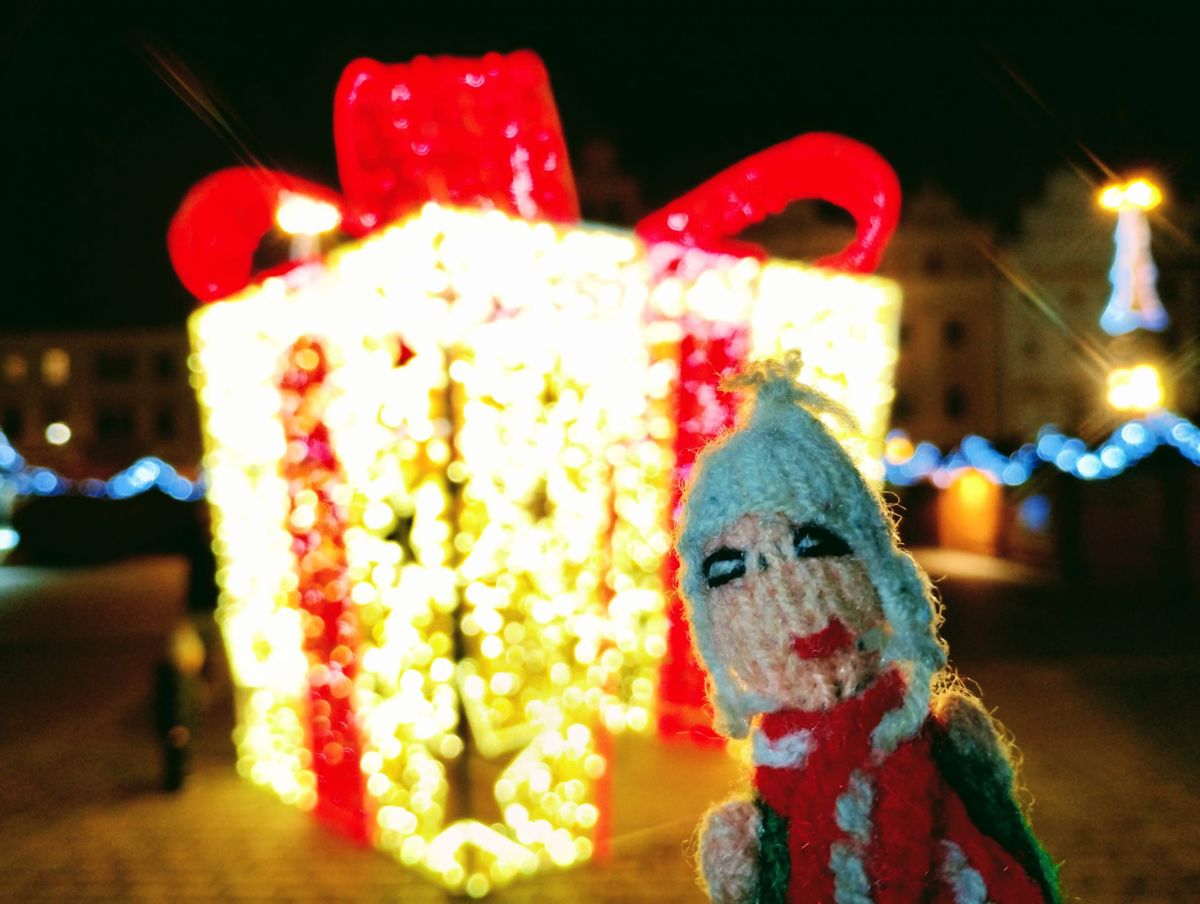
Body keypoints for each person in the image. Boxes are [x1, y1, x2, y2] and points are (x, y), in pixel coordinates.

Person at [675, 354, 1060, 903]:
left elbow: (1006, 850)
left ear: (874, 567)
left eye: (814, 546)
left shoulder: (936, 741)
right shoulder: (772, 794)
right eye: (733, 569)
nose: (794, 609)